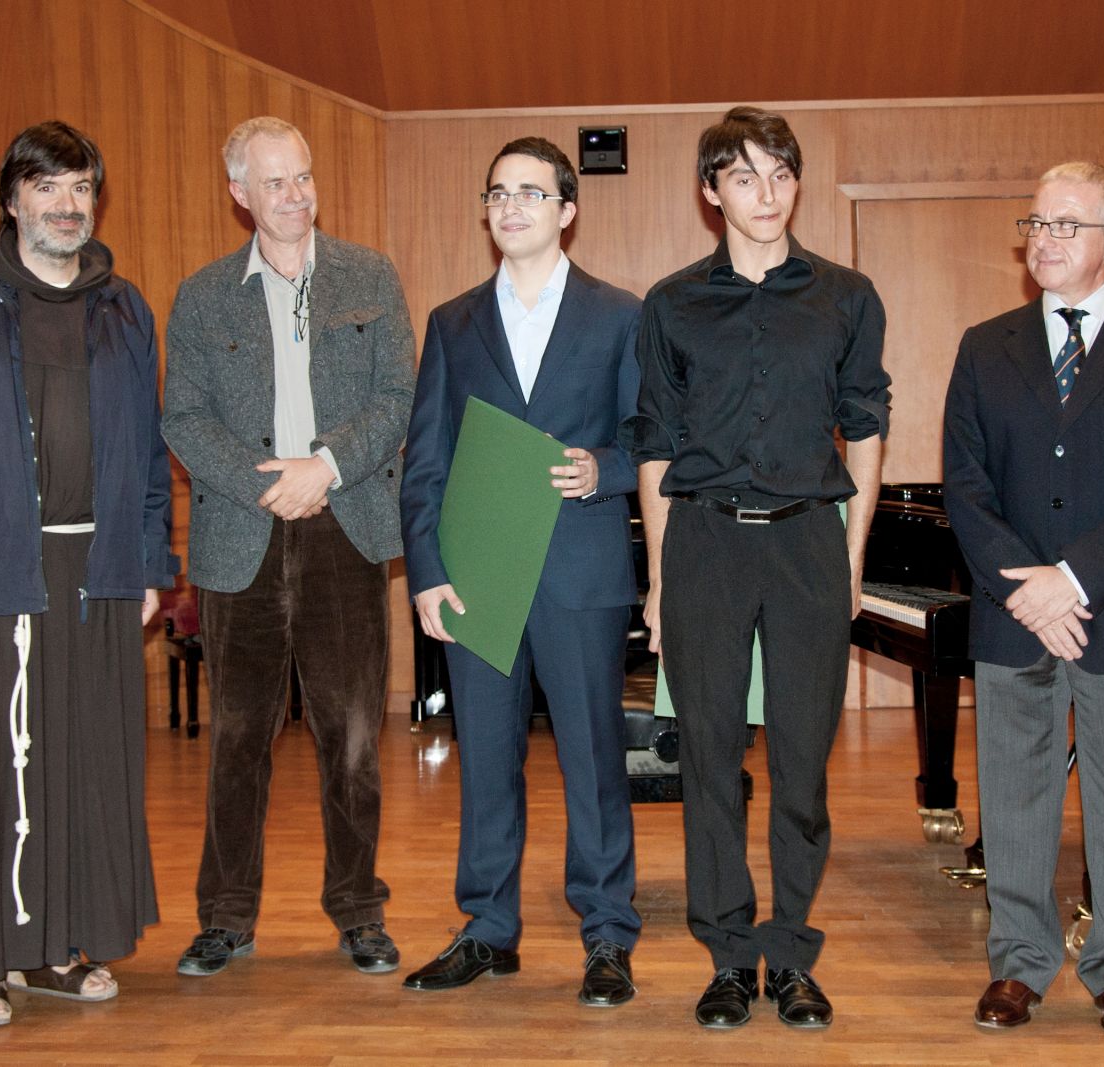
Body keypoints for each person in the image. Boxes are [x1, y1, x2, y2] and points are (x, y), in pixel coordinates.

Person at [0, 120, 176, 1028]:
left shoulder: (124, 308)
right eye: (47, 187)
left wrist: (150, 561)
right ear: (12, 200)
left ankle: (53, 946)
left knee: (79, 763)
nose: (66, 204)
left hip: (97, 572)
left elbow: (148, 452)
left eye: (81, 187)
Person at [626, 106, 891, 1029]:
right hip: (702, 543)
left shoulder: (848, 296)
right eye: (744, 176)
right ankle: (730, 958)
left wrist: (852, 556)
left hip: (809, 541)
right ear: (712, 193)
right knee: (708, 759)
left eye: (780, 173)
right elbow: (653, 446)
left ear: (797, 182)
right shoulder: (670, 304)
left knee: (803, 764)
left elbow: (866, 427)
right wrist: (661, 578)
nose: (766, 193)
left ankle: (793, 956)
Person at [943, 161, 1104, 1040]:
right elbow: (966, 487)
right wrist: (1031, 589)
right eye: (1036, 223)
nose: (1044, 240)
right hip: (1014, 611)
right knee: (1013, 796)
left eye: (1066, 224)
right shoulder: (985, 345)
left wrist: (1075, 580)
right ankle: (1019, 961)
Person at [161, 116, 415, 979]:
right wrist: (268, 483)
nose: (295, 195)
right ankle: (226, 916)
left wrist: (327, 467)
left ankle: (359, 909)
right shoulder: (202, 296)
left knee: (352, 737)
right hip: (243, 535)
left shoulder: (370, 276)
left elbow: (397, 396)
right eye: (274, 182)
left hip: (347, 527)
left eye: (302, 176)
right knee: (238, 739)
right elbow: (183, 416)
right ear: (240, 194)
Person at [399, 137, 643, 1006]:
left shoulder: (621, 315)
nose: (510, 206)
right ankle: (488, 927)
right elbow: (426, 460)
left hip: (581, 570)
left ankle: (607, 932)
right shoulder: (452, 322)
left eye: (531, 193)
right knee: (485, 758)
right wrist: (426, 571)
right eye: (497, 192)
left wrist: (603, 469)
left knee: (594, 759)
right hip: (478, 572)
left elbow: (652, 438)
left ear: (567, 210)